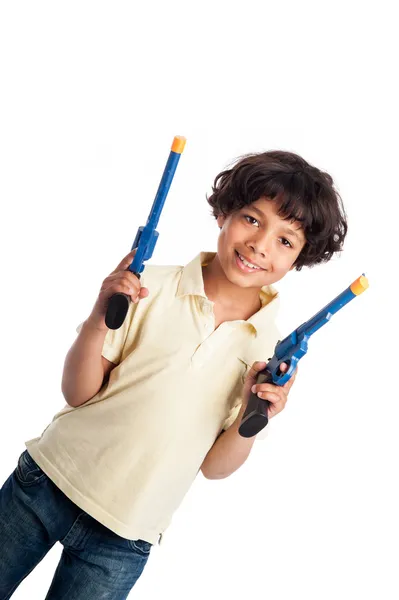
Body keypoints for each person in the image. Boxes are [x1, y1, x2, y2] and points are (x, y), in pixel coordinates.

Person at [0, 149, 347, 599]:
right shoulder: (151, 287)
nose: (261, 244)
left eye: (286, 240)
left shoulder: (268, 351)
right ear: (224, 214)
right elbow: (78, 392)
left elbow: (215, 468)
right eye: (252, 219)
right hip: (46, 482)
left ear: (301, 257)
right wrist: (96, 318)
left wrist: (252, 417)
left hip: (125, 534)